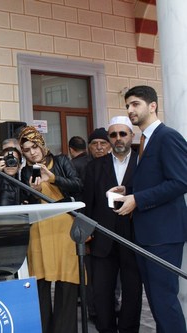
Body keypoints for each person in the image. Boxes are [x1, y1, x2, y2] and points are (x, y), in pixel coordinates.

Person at [112, 85, 187, 333]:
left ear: (152, 106)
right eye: (127, 106)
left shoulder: (167, 137)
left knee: (164, 303)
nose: (130, 110)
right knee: (156, 303)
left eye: (135, 104)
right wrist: (128, 191)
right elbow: (154, 179)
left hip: (164, 236)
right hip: (147, 236)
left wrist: (139, 200)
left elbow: (181, 181)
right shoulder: (145, 140)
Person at [18, 126, 83, 333]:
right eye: (26, 150)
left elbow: (77, 185)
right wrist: (34, 192)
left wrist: (52, 178)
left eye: (34, 146)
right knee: (40, 282)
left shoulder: (62, 161)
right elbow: (26, 202)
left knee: (67, 280)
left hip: (64, 228)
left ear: (42, 144)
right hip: (39, 230)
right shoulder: (25, 171)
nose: (32, 152)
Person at [82, 116, 142, 333]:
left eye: (123, 134)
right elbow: (88, 203)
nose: (118, 139)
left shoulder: (142, 163)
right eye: (114, 135)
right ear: (109, 138)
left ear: (131, 136)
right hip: (103, 239)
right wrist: (87, 235)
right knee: (101, 293)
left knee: (132, 292)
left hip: (134, 238)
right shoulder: (94, 167)